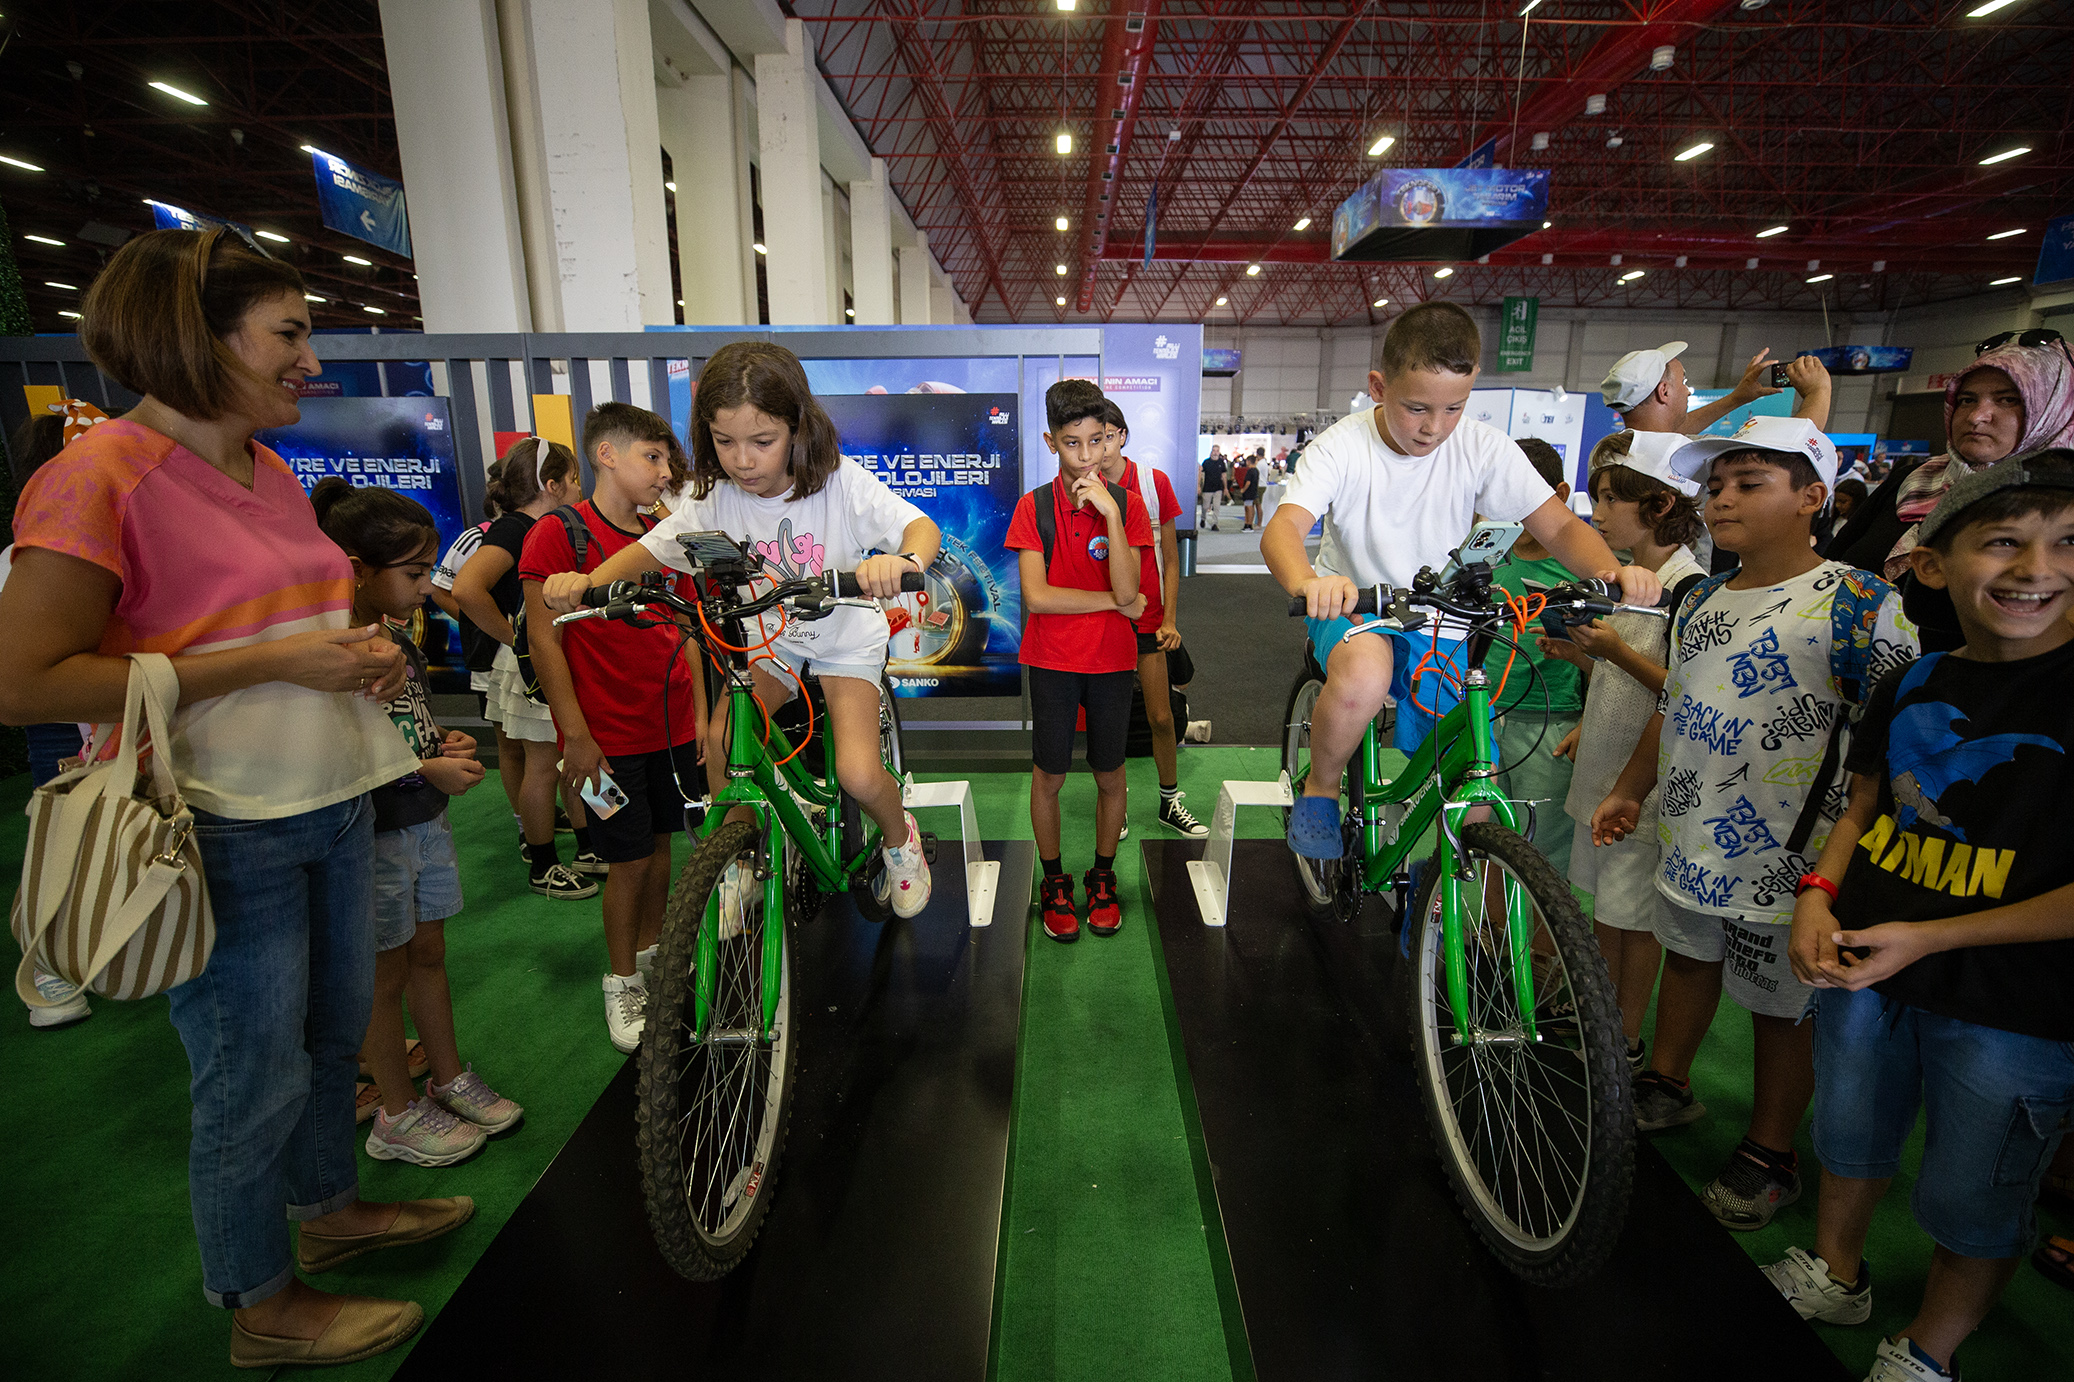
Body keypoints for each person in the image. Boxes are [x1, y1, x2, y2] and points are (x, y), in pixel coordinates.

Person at [0, 225, 461, 1367]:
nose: (313, 360)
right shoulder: (94, 476)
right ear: (196, 340)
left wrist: (361, 650)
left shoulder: (270, 466)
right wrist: (271, 661)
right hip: (215, 821)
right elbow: (23, 681)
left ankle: (332, 1210)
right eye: (290, 335)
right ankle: (258, 1294)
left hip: (335, 793)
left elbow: (274, 625)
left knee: (322, 1039)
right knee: (248, 1067)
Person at [1768, 452, 2074, 1382]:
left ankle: (1931, 1348)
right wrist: (1817, 896)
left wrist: (1930, 938)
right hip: (1867, 963)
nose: (2034, 569)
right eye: (2003, 543)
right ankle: (1835, 1267)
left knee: (1975, 1187)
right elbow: (1862, 808)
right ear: (1934, 564)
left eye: (2067, 545)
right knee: (1851, 1133)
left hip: (2012, 1001)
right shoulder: (1917, 679)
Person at [1591, 417, 1918, 1233]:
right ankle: (1668, 1079)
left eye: (1750, 483)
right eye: (1719, 484)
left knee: (1781, 1004)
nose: (1723, 497)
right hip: (1693, 835)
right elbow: (1678, 702)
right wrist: (1635, 786)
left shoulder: (1860, 603)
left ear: (1812, 497)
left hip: (1792, 860)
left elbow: (1893, 742)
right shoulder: (1698, 596)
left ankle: (1772, 1150)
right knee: (1689, 957)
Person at [542, 345, 940, 931]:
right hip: (771, 638)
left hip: (842, 637)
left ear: (797, 428)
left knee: (857, 772)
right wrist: (587, 584)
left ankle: (898, 838)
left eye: (762, 441)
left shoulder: (838, 484)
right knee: (722, 741)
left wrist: (904, 559)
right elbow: (652, 547)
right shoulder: (714, 498)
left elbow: (917, 527)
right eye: (725, 442)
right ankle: (741, 856)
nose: (743, 460)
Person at [1264, 301, 1662, 861]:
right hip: (1356, 604)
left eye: (1454, 408)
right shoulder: (1342, 445)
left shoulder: (1480, 445)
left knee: (1477, 774)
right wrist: (1308, 582)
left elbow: (1560, 526)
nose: (1435, 427)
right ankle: (1322, 789)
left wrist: (1611, 572)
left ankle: (1446, 897)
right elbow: (1284, 527)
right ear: (1379, 386)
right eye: (1417, 408)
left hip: (1440, 614)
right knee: (1364, 680)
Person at [311, 480, 523, 1167]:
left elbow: (408, 723)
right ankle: (396, 1112)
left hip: (422, 822)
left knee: (428, 952)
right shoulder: (331, 646)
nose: (425, 585)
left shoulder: (397, 631)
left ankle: (447, 1073)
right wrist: (420, 768)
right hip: (372, 832)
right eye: (411, 573)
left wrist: (439, 750)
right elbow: (340, 746)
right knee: (383, 973)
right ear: (357, 569)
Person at [519, 403, 705, 1053]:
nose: (663, 474)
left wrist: (702, 716)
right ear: (606, 455)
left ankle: (653, 958)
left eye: (666, 461)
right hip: (608, 737)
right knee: (625, 861)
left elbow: (687, 630)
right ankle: (621, 978)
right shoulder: (558, 535)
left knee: (660, 851)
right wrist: (575, 735)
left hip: (673, 726)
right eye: (652, 458)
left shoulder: (665, 533)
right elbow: (545, 645)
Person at [1546, 431, 1708, 1072]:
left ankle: (1625, 1040)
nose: (1597, 514)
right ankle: (1604, 1023)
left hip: (1645, 784)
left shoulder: (1690, 589)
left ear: (1660, 504)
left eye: (1611, 499)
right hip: (1607, 761)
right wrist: (1587, 657)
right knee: (1609, 913)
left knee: (1634, 919)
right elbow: (1626, 674)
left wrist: (1614, 653)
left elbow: (1685, 692)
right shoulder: (1620, 580)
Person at [1009, 379, 1151, 942]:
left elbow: (1128, 584)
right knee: (1050, 775)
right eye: (1073, 444)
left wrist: (1112, 518)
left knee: (1110, 773)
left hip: (1113, 663)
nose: (1088, 457)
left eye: (1098, 441)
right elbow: (1038, 598)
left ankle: (1102, 876)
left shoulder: (1131, 506)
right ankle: (1053, 882)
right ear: (1051, 442)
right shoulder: (1033, 507)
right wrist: (1117, 604)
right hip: (1053, 661)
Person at [1828, 334, 2074, 653]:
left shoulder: (2065, 502)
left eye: (2008, 399)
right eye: (1967, 400)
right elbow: (1832, 565)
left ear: (2053, 407)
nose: (1976, 416)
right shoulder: (1913, 480)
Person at [453, 437, 602, 900]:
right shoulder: (518, 530)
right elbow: (466, 588)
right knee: (541, 764)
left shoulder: (540, 527)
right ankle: (543, 865)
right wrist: (516, 639)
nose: (580, 488)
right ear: (551, 485)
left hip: (536, 659)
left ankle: (587, 848)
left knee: (558, 760)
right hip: (531, 664)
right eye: (574, 479)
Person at [4, 405, 102, 1028]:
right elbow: (21, 680)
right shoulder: (23, 556)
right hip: (66, 722)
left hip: (129, 713)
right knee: (62, 835)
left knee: (130, 831)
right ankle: (48, 966)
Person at [1096, 400, 1206, 838]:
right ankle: (1114, 805)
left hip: (1149, 619)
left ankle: (1169, 802)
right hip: (1106, 617)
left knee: (1161, 716)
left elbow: (1170, 559)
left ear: (1122, 436)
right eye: (1089, 438)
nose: (1099, 447)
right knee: (1113, 720)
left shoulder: (1152, 481)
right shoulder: (1084, 486)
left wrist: (1171, 620)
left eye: (1106, 436)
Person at [1481, 437, 1589, 878]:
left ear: (1558, 497)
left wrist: (1590, 721)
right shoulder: (1487, 557)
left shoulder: (1581, 565)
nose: (1509, 515)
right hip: (1482, 716)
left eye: (1521, 501)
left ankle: (1543, 948)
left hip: (1550, 722)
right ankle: (1488, 936)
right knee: (1479, 839)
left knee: (1542, 856)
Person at [1601, 340, 1834, 434]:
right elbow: (1794, 447)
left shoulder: (1608, 452)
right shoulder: (1689, 456)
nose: (1688, 390)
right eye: (1683, 382)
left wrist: (1736, 399)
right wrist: (1819, 392)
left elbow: (1672, 430)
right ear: (1664, 392)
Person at [1199, 446, 1228, 530]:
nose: (1215, 453)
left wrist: (1225, 487)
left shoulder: (1221, 462)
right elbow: (1201, 475)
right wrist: (1199, 486)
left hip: (1218, 488)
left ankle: (1214, 523)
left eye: (1217, 451)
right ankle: (1203, 518)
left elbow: (1224, 475)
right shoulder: (1206, 462)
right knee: (1205, 507)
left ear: (1219, 452)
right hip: (1207, 488)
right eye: (1214, 451)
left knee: (1216, 507)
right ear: (1211, 452)